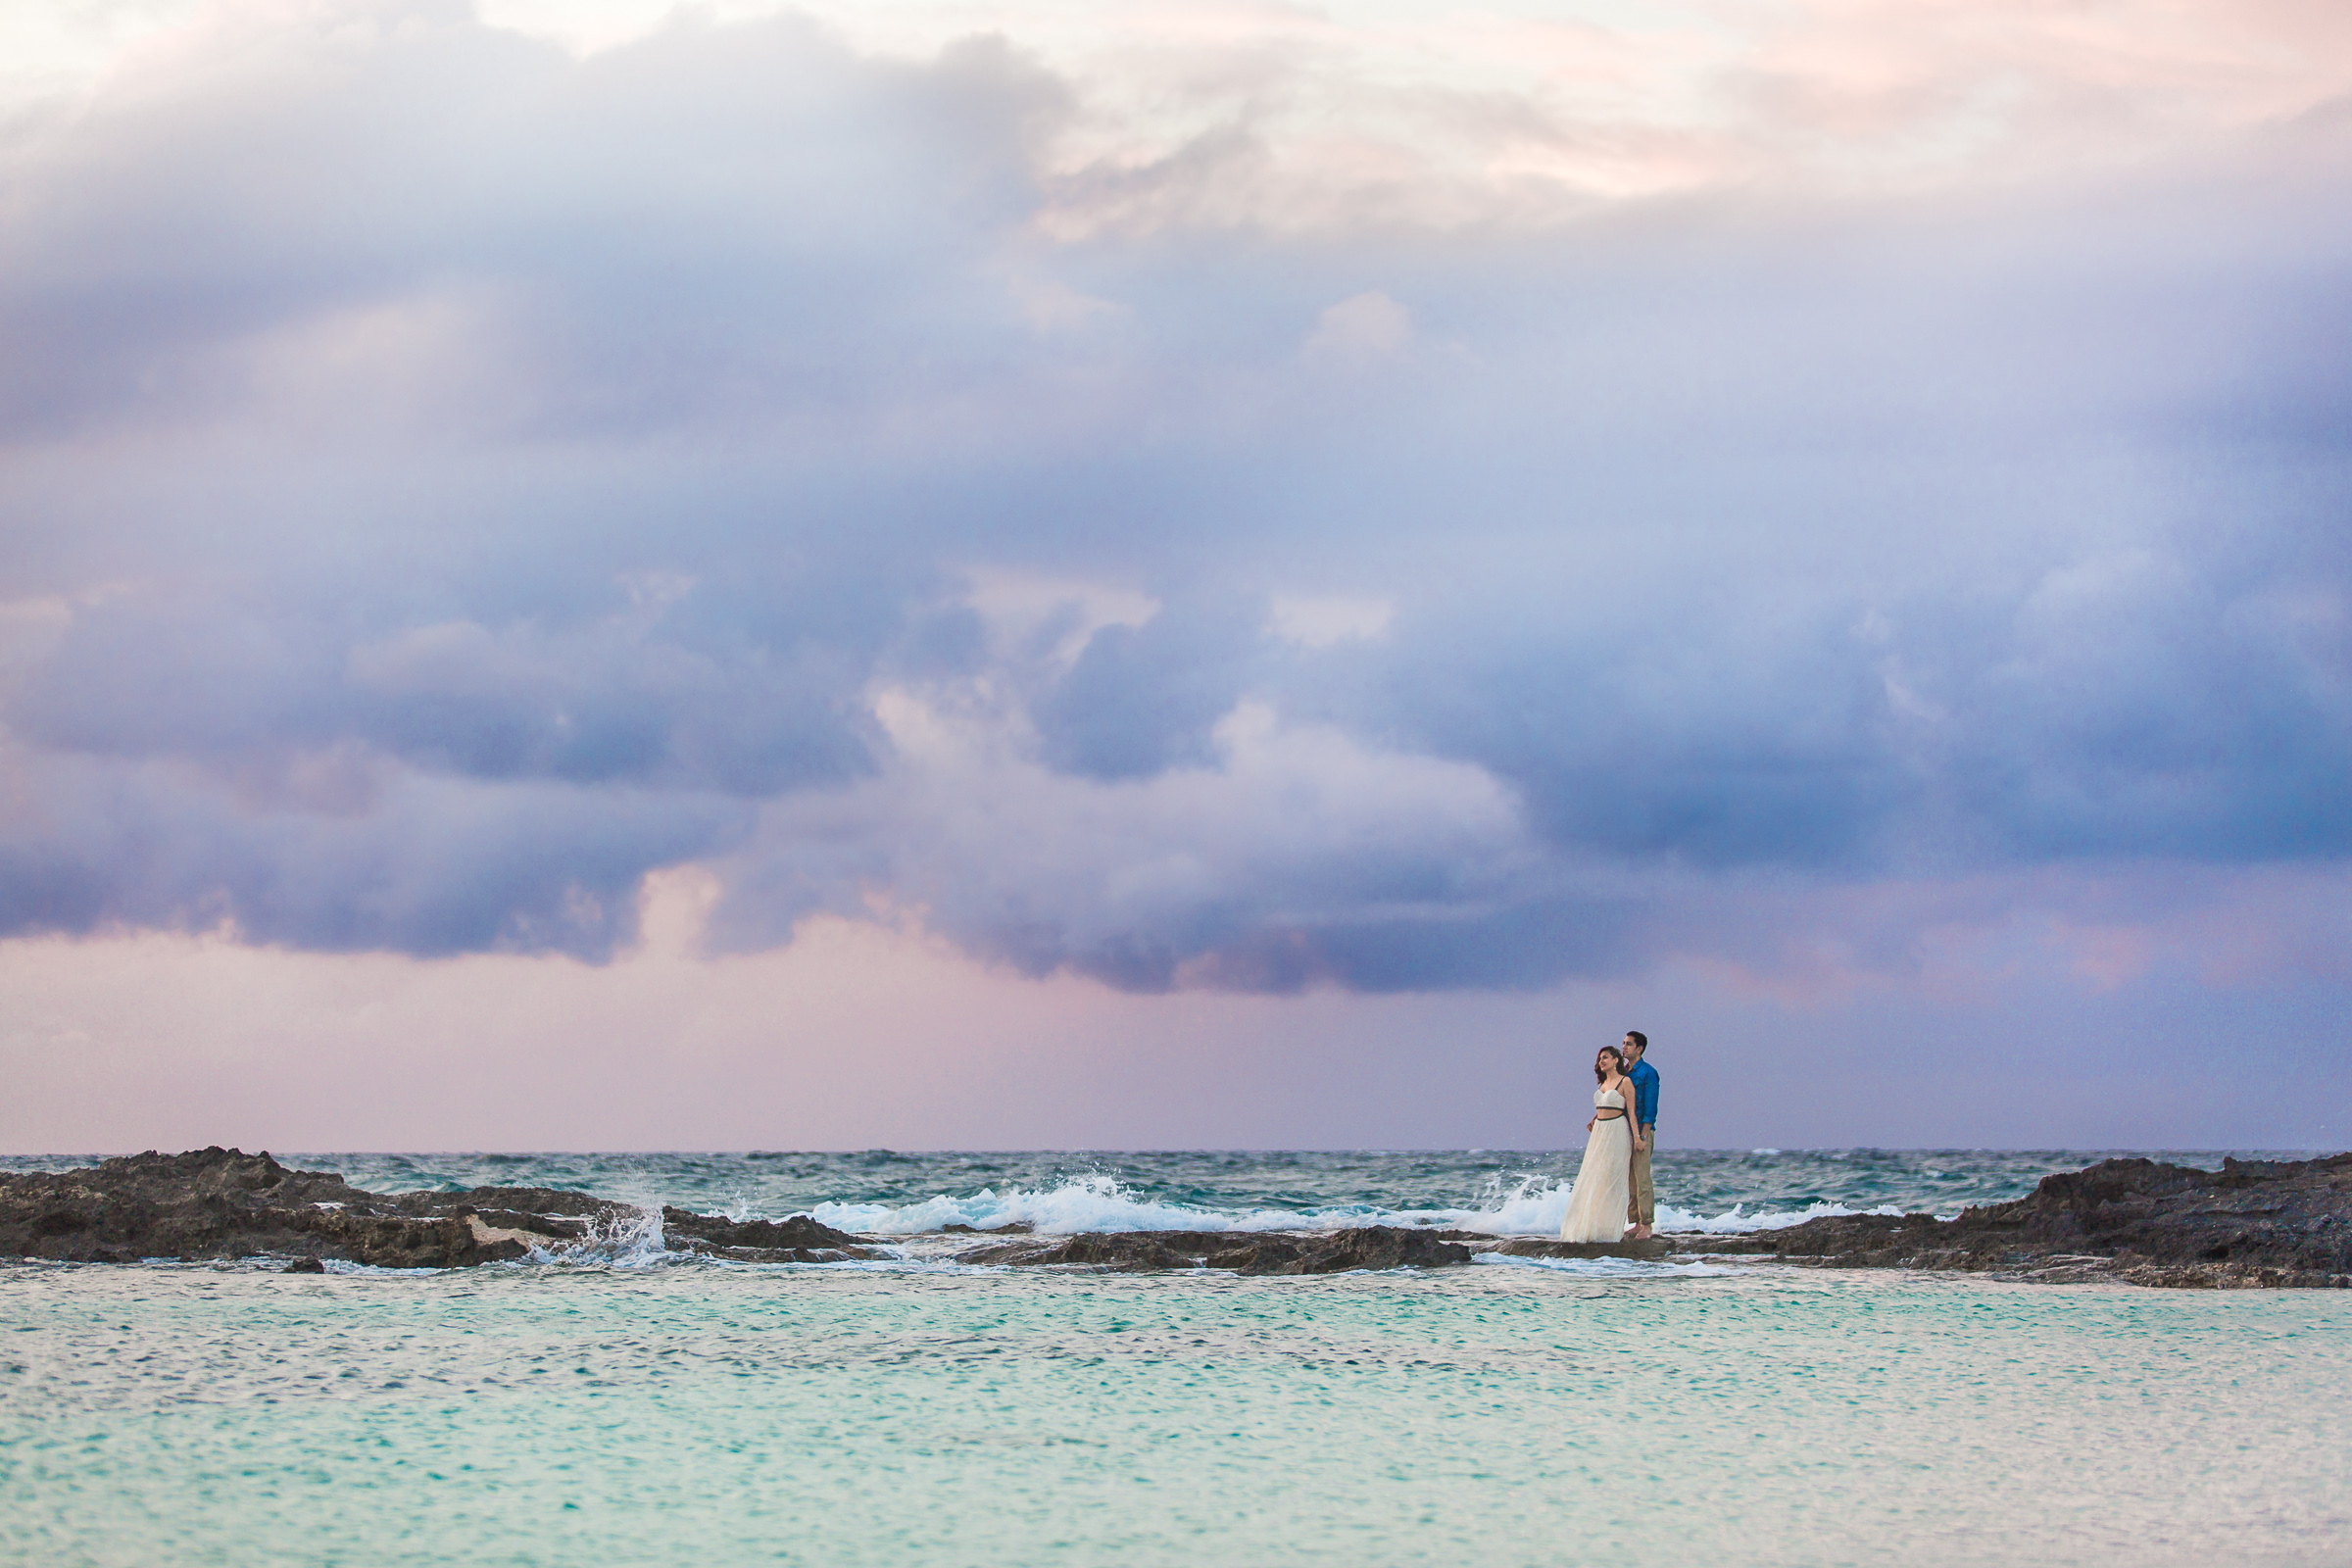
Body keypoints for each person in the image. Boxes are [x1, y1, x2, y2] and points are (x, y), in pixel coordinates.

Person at [1558, 1045, 1635, 1244]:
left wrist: (1638, 1139)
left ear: (1616, 1060)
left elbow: (1631, 1112)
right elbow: (1604, 1105)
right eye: (1600, 1058)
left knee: (1612, 1176)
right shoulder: (1603, 1084)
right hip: (1599, 1131)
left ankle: (1610, 1229)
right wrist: (1595, 1118)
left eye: (1606, 1058)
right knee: (1593, 1175)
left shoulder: (1625, 1082)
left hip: (1617, 1130)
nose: (1602, 1061)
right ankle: (1590, 1225)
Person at [1623, 1031, 1658, 1240]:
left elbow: (1651, 1108)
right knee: (1630, 1180)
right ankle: (1635, 1221)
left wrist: (1643, 1137)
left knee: (1643, 1178)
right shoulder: (1623, 1072)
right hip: (1624, 1131)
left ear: (1639, 1048)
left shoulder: (1648, 1072)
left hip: (1642, 1132)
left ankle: (1647, 1224)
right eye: (1624, 1043)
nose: (1624, 1047)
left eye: (1629, 1044)